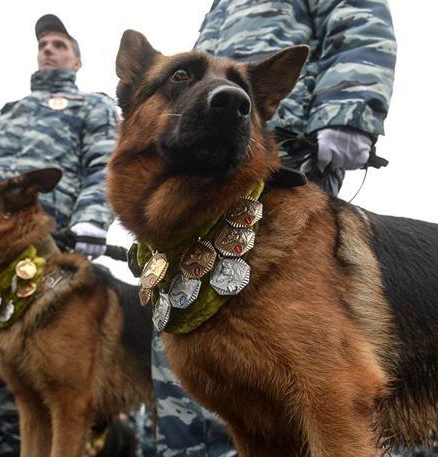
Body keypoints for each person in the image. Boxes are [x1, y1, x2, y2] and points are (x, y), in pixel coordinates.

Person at [150, 1, 397, 456]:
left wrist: (349, 112)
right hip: (198, 191)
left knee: (318, 372)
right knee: (221, 384)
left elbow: (360, 18)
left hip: (284, 156)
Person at [0, 14, 118, 456]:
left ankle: (2, 445)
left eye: (59, 44)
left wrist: (93, 217)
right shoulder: (9, 111)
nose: (49, 50)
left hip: (35, 251)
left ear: (78, 60)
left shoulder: (92, 106)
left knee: (17, 363)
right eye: (44, 45)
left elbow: (104, 165)